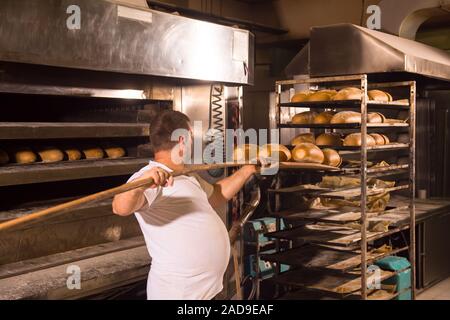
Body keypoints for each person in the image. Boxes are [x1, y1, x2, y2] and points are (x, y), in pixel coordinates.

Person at [112, 110, 257, 300]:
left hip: (205, 292)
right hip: (179, 293)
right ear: (183, 140)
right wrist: (139, 184)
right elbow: (120, 207)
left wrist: (248, 170)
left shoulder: (185, 176)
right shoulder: (149, 177)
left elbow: (217, 195)